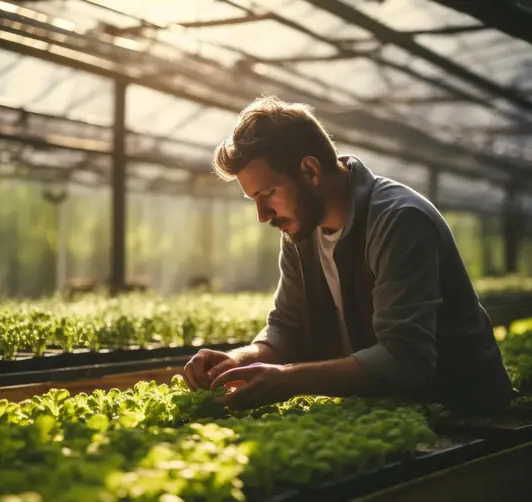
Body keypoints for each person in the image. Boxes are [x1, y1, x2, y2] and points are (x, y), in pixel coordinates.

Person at [183, 95, 513, 414]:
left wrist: (289, 380)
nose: (263, 215)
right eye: (253, 199)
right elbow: (288, 327)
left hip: (467, 413)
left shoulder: (399, 219)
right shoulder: (301, 228)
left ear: (310, 171)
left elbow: (406, 360)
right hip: (395, 412)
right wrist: (239, 361)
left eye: (268, 193)